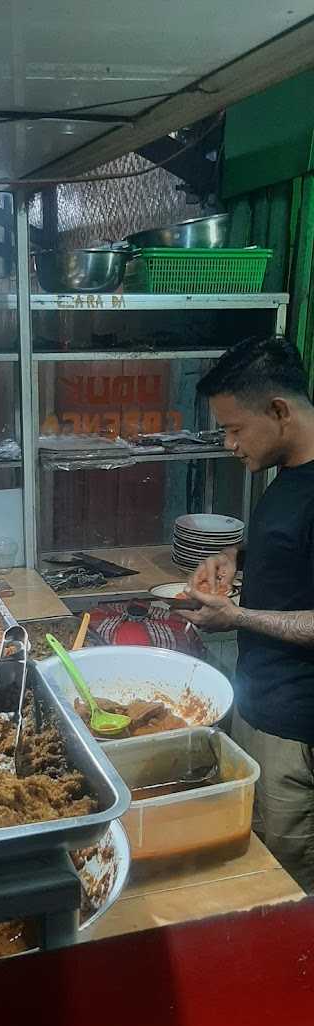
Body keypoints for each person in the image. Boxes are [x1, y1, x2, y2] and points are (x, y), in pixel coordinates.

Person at [180, 336, 314, 892]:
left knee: (286, 885)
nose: (230, 444)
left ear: (279, 411)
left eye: (235, 429)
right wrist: (233, 556)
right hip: (262, 705)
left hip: (296, 729)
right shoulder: (291, 471)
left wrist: (237, 617)